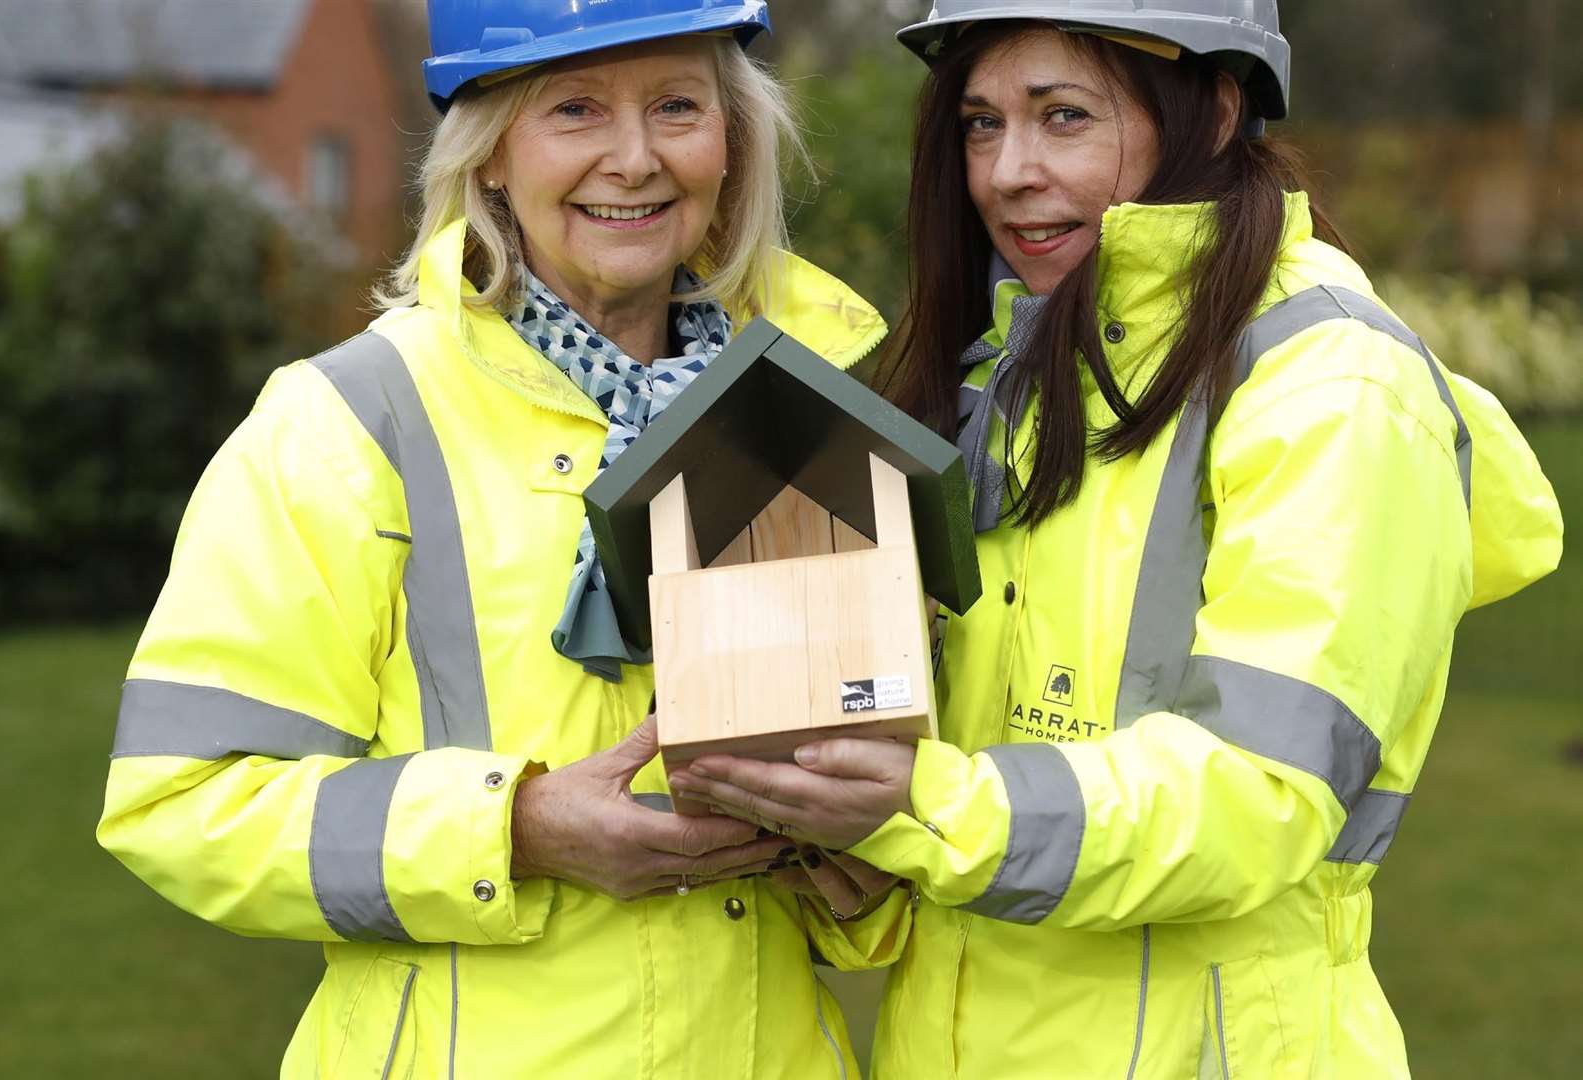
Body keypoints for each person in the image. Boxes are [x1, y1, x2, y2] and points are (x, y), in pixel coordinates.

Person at [666, 2, 1565, 1076]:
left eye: (1063, 116)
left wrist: (926, 805)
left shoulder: (1333, 389)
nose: (1007, 172)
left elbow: (1256, 795)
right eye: (980, 123)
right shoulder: (1011, 373)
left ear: (1217, 108)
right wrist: (860, 857)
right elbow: (969, 798)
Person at [96, 1, 906, 1075]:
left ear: (733, 141)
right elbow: (180, 798)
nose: (634, 159)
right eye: (574, 110)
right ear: (488, 157)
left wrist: (860, 864)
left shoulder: (804, 411)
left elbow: (875, 782)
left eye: (677, 106)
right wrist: (512, 830)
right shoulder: (347, 424)